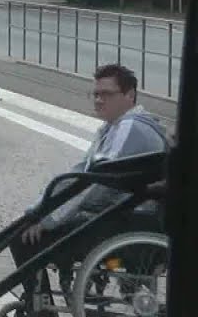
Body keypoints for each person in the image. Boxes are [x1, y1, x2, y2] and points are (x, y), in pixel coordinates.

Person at [10, 63, 170, 308]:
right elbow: (80, 173)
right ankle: (39, 301)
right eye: (95, 94)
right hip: (127, 218)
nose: (98, 100)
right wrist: (39, 209)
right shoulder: (114, 127)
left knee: (24, 239)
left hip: (130, 223)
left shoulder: (130, 128)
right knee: (25, 229)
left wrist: (49, 220)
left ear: (130, 95)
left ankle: (39, 303)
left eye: (106, 94)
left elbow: (93, 185)